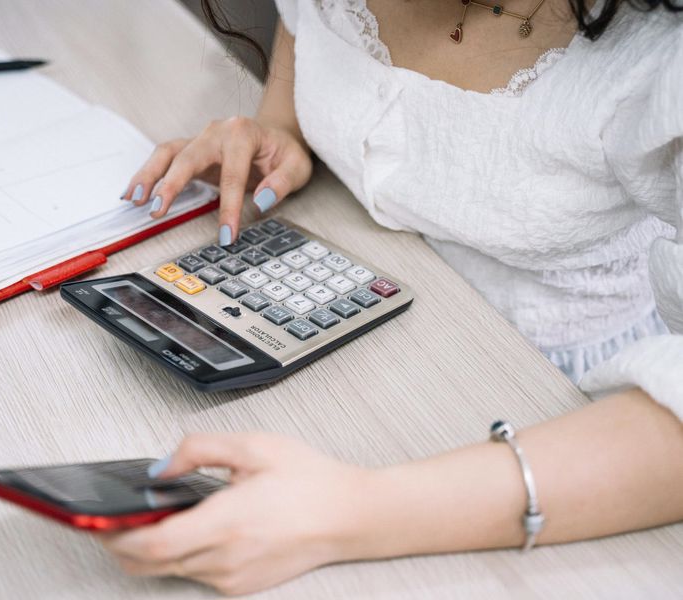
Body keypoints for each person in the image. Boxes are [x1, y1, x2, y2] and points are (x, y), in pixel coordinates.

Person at [112, 0, 683, 595]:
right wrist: (280, 132)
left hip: (569, 418)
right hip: (380, 346)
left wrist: (346, 514)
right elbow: (306, 38)